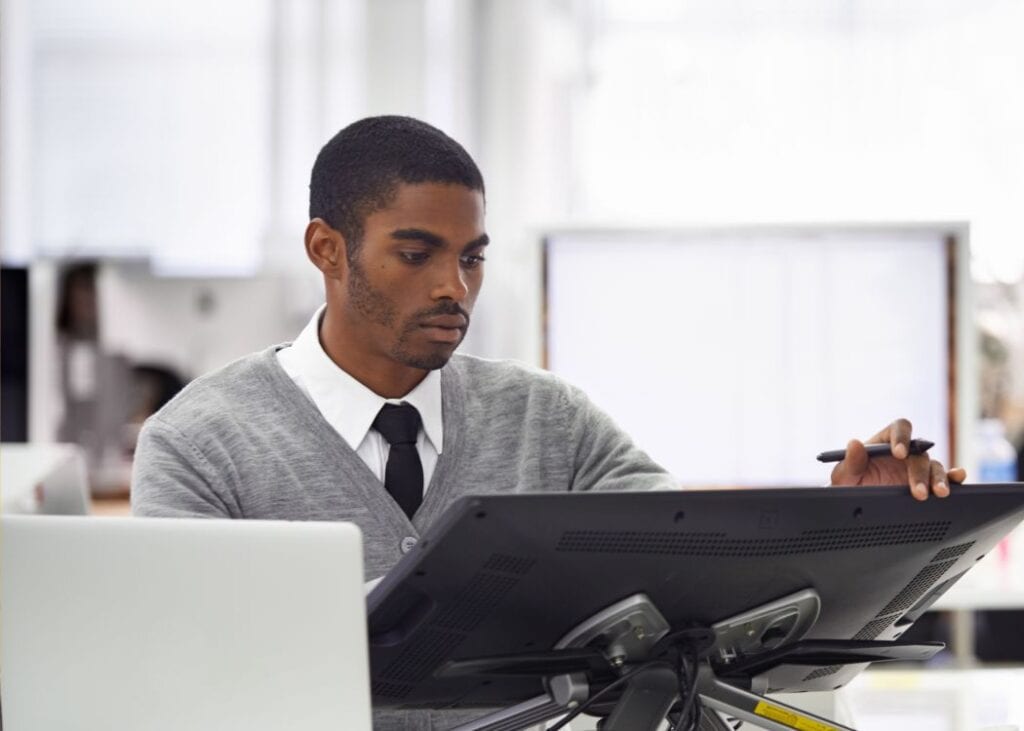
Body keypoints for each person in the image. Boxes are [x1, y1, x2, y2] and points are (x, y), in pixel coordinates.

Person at [131, 115, 965, 728]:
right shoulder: (199, 443)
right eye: (417, 254)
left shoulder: (547, 417)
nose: (454, 286)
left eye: (472, 257)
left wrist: (850, 530)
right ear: (328, 249)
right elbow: (182, 682)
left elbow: (700, 600)